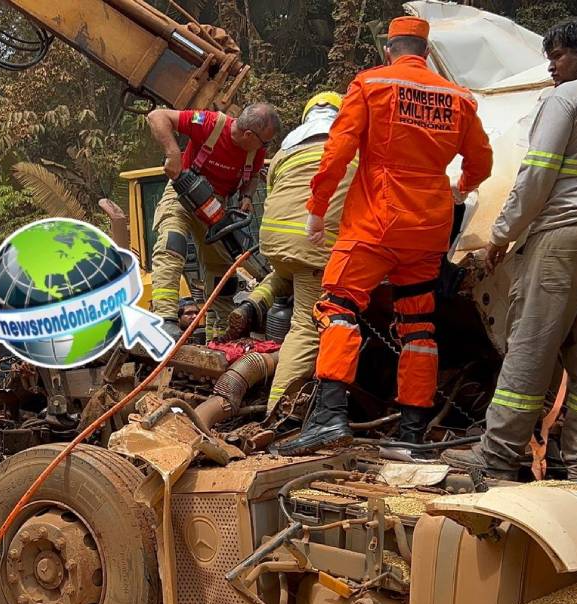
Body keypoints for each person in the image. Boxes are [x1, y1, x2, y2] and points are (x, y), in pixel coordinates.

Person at [283, 16, 493, 454]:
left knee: (339, 307)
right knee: (418, 326)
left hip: (375, 224)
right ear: (427, 53)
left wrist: (317, 210)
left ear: (389, 49)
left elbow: (337, 151)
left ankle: (328, 417)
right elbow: (481, 162)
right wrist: (461, 187)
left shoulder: (371, 84)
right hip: (428, 228)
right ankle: (411, 434)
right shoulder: (458, 97)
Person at [442, 18, 577, 480]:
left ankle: (496, 455)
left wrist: (500, 236)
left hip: (558, 235)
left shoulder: (566, 98)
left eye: (558, 56)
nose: (551, 67)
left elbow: (535, 176)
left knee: (530, 347)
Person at [239, 92, 359, 411]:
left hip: (276, 242)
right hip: (313, 242)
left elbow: (275, 187)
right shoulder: (352, 142)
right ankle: (278, 412)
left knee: (287, 274)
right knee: (306, 326)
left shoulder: (286, 147)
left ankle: (251, 305)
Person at [145, 102, 282, 339]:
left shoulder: (255, 150)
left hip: (217, 207)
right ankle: (166, 319)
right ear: (249, 135)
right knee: (172, 243)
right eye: (265, 142)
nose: (266, 147)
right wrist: (173, 153)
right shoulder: (210, 124)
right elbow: (157, 116)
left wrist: (247, 196)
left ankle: (219, 336)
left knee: (222, 270)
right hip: (183, 191)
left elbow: (253, 176)